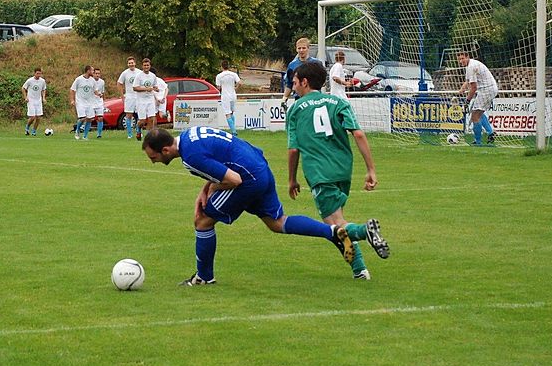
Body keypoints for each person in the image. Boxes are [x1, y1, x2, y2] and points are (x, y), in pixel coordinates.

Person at [142, 126, 354, 286]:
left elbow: (233, 180)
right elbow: (220, 161)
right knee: (277, 223)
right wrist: (204, 190)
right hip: (259, 165)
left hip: (248, 179)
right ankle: (332, 231)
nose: (153, 162)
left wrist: (212, 190)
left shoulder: (190, 157)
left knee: (203, 221)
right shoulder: (190, 134)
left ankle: (204, 277)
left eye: (154, 157)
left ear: (166, 150)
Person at [286, 62, 390, 280]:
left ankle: (365, 231)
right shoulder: (338, 102)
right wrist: (371, 169)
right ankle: (360, 271)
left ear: (305, 82)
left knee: (335, 227)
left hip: (319, 172)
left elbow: (294, 149)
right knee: (337, 224)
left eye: (295, 83)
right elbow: (358, 134)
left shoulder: (295, 109)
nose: (293, 87)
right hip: (343, 170)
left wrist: (292, 179)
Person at [456, 50, 498, 145]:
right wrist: (462, 89)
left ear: (467, 57)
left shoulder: (471, 67)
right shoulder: (471, 65)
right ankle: (491, 133)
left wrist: (467, 101)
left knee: (474, 115)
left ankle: (478, 142)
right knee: (479, 112)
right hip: (490, 89)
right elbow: (467, 81)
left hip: (487, 90)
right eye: (459, 59)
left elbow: (473, 88)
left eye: (462, 58)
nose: (461, 61)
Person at [280, 37, 321, 108]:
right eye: (299, 48)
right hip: (299, 99)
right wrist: (284, 98)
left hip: (314, 99)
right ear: (296, 49)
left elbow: (322, 82)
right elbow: (289, 84)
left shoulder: (316, 63)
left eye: (304, 48)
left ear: (308, 49)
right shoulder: (292, 65)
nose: (301, 50)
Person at [133, 58, 159, 140]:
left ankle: (148, 137)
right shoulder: (139, 76)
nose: (146, 67)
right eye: (145, 65)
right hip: (141, 100)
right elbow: (135, 88)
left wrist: (155, 88)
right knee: (142, 121)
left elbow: (155, 86)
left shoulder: (153, 76)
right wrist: (146, 89)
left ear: (150, 66)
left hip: (150, 99)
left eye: (147, 65)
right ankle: (138, 130)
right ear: (142, 66)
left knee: (151, 119)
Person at [117, 57, 142, 139]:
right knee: (129, 115)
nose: (131, 64)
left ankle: (139, 132)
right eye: (129, 63)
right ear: (128, 64)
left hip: (138, 96)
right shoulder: (125, 73)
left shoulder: (139, 72)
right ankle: (129, 134)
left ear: (135, 63)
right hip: (129, 96)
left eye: (132, 63)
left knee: (140, 115)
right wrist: (122, 95)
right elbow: (119, 83)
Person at [70, 65, 97, 140]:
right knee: (82, 118)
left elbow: (95, 90)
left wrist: (98, 94)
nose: (93, 72)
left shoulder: (92, 80)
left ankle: (85, 136)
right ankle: (77, 131)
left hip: (90, 102)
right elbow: (72, 90)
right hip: (80, 102)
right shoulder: (79, 79)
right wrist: (72, 100)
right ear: (88, 71)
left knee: (89, 119)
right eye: (92, 70)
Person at [215, 60, 241, 135]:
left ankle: (233, 131)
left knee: (227, 113)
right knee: (232, 112)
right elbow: (239, 83)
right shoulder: (233, 74)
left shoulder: (219, 76)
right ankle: (233, 128)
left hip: (225, 96)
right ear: (228, 66)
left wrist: (221, 89)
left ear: (221, 66)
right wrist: (235, 88)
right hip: (233, 95)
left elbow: (218, 87)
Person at [22, 67, 47, 136]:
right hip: (31, 100)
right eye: (37, 73)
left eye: (40, 74)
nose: (39, 75)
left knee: (38, 117)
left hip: (38, 101)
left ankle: (34, 131)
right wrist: (25, 97)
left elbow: (44, 89)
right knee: (32, 117)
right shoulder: (30, 80)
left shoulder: (42, 81)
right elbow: (23, 88)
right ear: (34, 73)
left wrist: (43, 98)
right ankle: (27, 128)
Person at [92, 67, 107, 138]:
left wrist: (104, 101)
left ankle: (99, 134)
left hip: (99, 102)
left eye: (98, 73)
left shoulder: (102, 82)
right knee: (89, 118)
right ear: (93, 74)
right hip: (91, 101)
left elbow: (103, 92)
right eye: (96, 73)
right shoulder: (90, 81)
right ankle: (81, 130)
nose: (97, 75)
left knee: (100, 118)